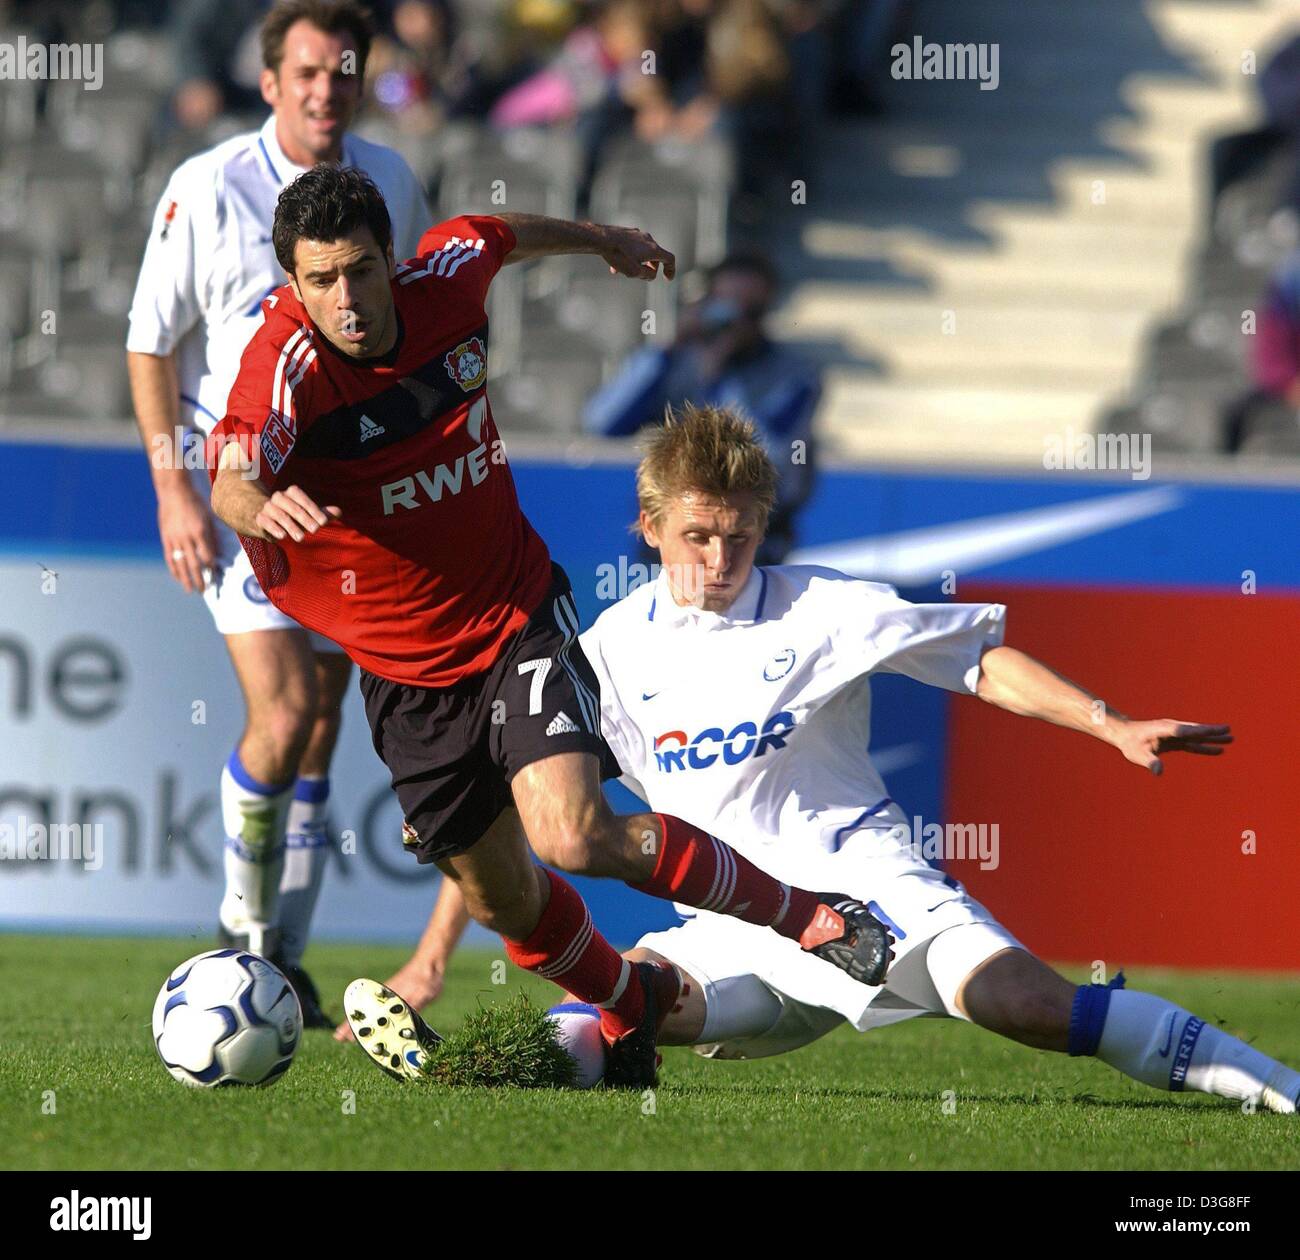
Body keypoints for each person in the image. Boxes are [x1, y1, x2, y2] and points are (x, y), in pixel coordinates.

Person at [343, 405, 1300, 1116]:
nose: (719, 557)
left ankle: (1277, 1091)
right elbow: (527, 817)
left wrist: (1108, 722)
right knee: (619, 996)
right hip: (736, 929)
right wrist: (429, 960)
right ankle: (466, 1079)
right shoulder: (606, 653)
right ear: (648, 526)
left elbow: (976, 657)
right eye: (696, 536)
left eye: (740, 535)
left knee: (1026, 1005)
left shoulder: (825, 608)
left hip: (865, 892)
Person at [206, 164, 895, 1087]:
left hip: (512, 614)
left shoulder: (445, 277)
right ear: (293, 283)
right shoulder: (286, 363)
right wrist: (256, 505)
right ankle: (631, 1010)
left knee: (573, 835)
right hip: (403, 671)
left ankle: (813, 916)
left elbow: (495, 232)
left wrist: (603, 239)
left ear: (390, 258)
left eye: (362, 270)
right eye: (322, 280)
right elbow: (232, 472)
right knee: (507, 903)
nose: (348, 299)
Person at [125, 0, 432, 1026]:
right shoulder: (206, 186)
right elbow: (149, 343)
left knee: (322, 730)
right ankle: (239, 927)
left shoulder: (390, 181)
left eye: (343, 69)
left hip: (353, 496)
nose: (324, 87)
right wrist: (175, 485)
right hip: (241, 485)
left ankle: (279, 957)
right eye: (305, 70)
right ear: (270, 83)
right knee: (287, 709)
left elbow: (416, 325)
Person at [584, 249, 820, 562]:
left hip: (752, 540)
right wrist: (665, 350)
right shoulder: (679, 362)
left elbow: (769, 451)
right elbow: (603, 423)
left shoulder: (794, 375)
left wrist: (720, 377)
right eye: (726, 305)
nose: (737, 321)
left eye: (751, 310)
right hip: (678, 530)